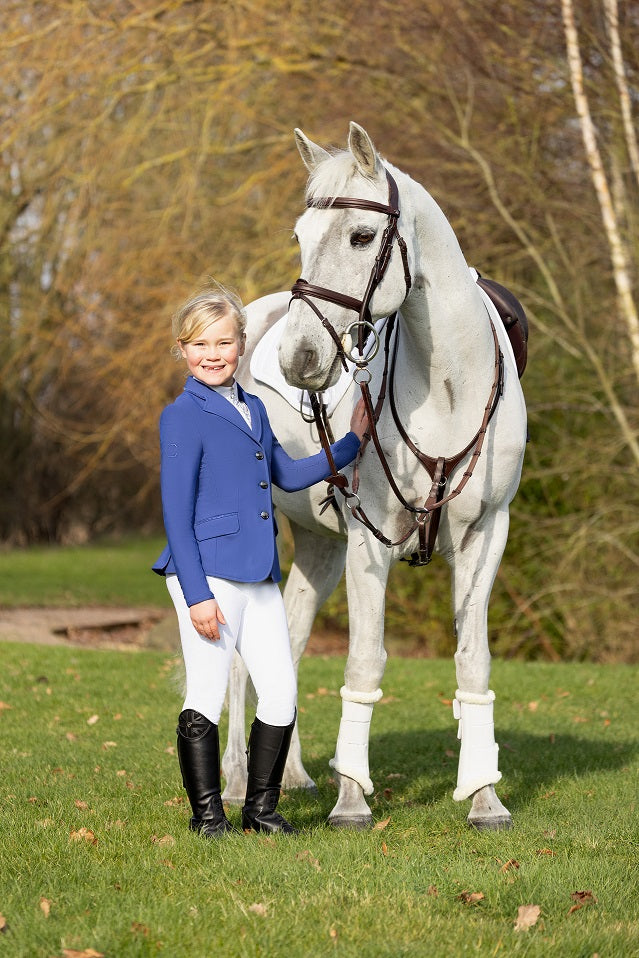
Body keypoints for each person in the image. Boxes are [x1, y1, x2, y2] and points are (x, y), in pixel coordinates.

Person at [152, 284, 368, 838]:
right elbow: (175, 514)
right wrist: (197, 596)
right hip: (205, 574)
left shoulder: (253, 408)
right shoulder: (181, 417)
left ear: (243, 344)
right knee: (206, 692)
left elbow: (288, 475)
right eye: (200, 344)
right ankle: (208, 818)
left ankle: (261, 810)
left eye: (224, 342)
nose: (214, 353)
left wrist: (349, 444)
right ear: (183, 349)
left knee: (280, 691)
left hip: (258, 572)